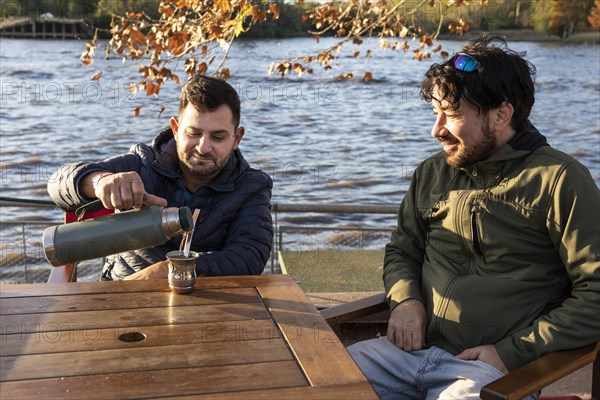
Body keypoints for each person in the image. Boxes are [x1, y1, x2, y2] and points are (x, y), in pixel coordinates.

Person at [347, 35, 600, 399]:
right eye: (435, 114)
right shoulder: (432, 172)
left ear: (501, 114)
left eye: (451, 115)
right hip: (402, 354)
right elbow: (403, 251)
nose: (436, 130)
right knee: (312, 380)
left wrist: (511, 352)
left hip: (486, 369)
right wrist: (405, 301)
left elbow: (595, 293)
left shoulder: (560, 179)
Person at [48, 75, 273, 280]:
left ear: (237, 138)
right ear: (175, 129)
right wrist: (98, 182)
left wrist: (170, 269)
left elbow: (249, 256)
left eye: (217, 137)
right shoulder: (142, 162)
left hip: (206, 303)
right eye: (193, 134)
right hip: (122, 295)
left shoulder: (252, 186)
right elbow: (57, 184)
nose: (203, 147)